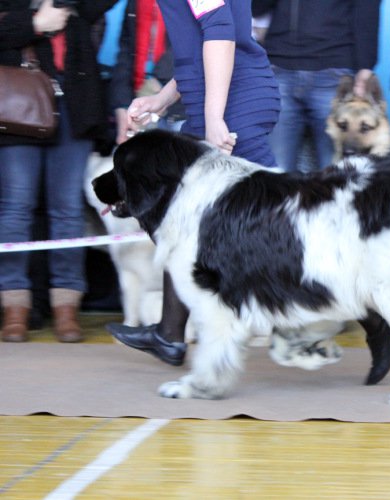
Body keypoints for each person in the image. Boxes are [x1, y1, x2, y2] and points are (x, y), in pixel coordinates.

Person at [106, 0, 281, 364]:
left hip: (233, 98)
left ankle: (328, 315)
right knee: (184, 219)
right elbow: (198, 43)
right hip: (222, 95)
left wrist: (214, 117)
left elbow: (219, 34)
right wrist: (162, 100)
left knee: (275, 219)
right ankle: (169, 334)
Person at [0, 0, 116, 343]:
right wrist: (36, 23)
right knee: (15, 207)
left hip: (74, 103)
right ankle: (14, 307)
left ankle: (67, 306)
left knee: (66, 208)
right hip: (19, 102)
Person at [252, 0, 381, 172]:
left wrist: (365, 66)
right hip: (280, 69)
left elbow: (366, 9)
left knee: (336, 176)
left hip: (333, 73)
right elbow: (256, 7)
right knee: (276, 174)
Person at [110, 0, 186, 146]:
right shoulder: (134, 3)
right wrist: (122, 106)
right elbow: (126, 51)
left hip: (179, 108)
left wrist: (158, 82)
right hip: (139, 101)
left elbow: (194, 42)